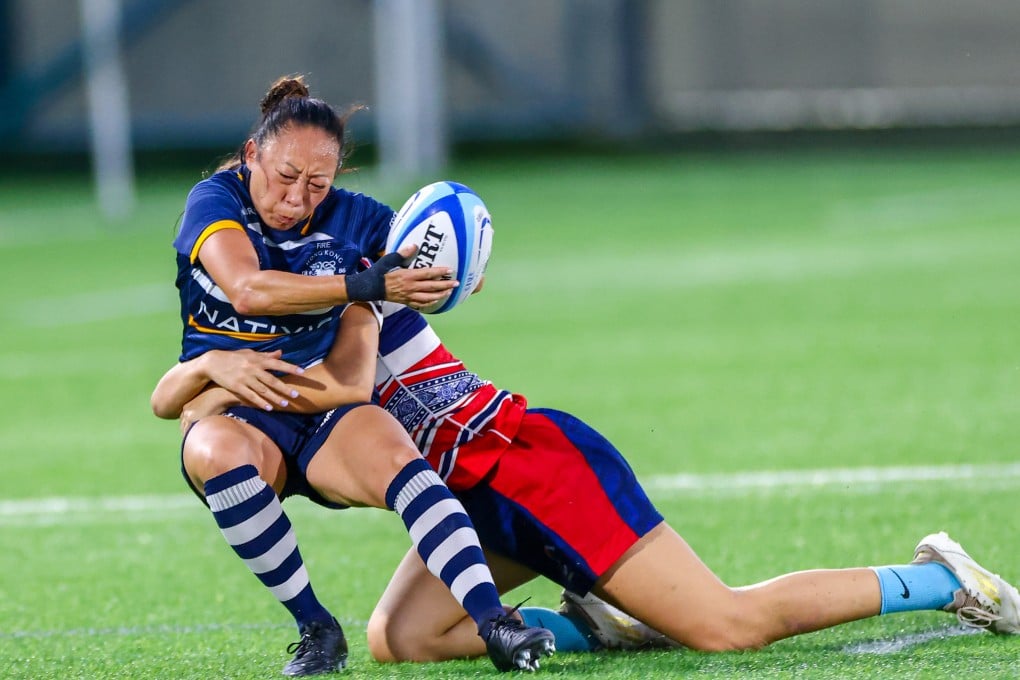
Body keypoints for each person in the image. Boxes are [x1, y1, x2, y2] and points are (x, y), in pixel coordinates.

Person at [156, 296, 1020, 665]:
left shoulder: (350, 293)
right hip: (471, 498)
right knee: (403, 639)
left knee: (729, 625)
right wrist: (213, 371)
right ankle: (606, 623)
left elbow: (338, 390)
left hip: (533, 469)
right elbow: (176, 399)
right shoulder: (270, 303)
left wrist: (220, 374)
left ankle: (941, 579)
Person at [152, 74, 554, 676]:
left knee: (399, 463)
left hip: (321, 405)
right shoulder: (216, 201)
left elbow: (424, 256)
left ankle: (494, 622)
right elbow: (248, 289)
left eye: (318, 183)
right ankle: (317, 630)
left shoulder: (352, 217)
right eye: (285, 176)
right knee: (213, 448)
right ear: (252, 154)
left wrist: (457, 267)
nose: (298, 198)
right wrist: (363, 287)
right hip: (242, 410)